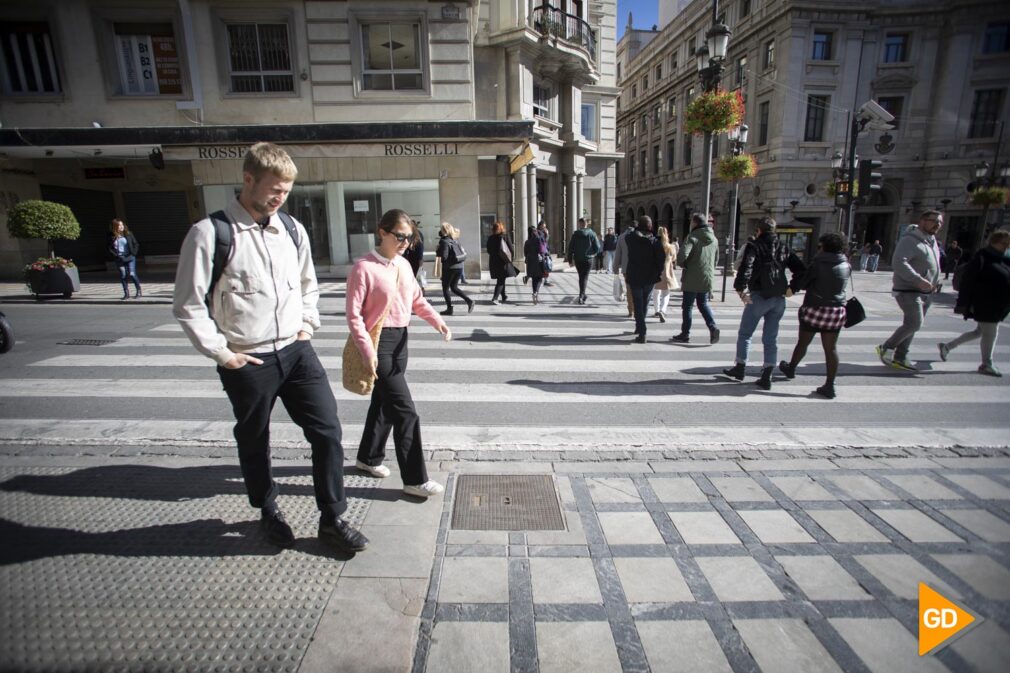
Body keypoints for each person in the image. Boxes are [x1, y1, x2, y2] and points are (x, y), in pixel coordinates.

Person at [173, 142, 368, 553]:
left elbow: (307, 284)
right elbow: (188, 305)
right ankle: (267, 509)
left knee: (328, 431)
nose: (280, 198)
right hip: (248, 357)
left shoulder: (291, 230)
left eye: (286, 191)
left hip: (296, 352)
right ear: (248, 180)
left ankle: (332, 518)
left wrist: (307, 325)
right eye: (274, 189)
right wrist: (223, 355)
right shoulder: (210, 234)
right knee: (254, 438)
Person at [347, 209, 451, 498]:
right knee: (406, 412)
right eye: (400, 236)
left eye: (410, 237)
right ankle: (415, 479)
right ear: (382, 232)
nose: (405, 241)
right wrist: (366, 349)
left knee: (383, 404)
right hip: (378, 341)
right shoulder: (363, 268)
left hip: (401, 340)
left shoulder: (404, 265)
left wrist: (438, 321)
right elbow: (354, 315)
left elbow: (417, 300)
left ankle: (368, 458)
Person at [723, 216, 805, 390]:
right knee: (771, 337)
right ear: (774, 231)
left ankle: (740, 367)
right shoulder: (784, 247)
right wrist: (792, 288)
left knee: (745, 333)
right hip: (778, 298)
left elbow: (746, 267)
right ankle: (767, 373)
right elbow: (801, 269)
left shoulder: (754, 246)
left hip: (759, 296)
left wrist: (740, 290)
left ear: (759, 230)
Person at [778, 232, 851, 399]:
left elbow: (804, 282)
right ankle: (830, 385)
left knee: (803, 342)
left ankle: (791, 368)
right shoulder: (846, 264)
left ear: (824, 246)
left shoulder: (818, 263)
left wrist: (792, 288)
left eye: (820, 245)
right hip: (836, 311)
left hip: (815, 308)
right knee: (831, 349)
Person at [876, 210, 944, 372]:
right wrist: (918, 280)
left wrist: (935, 280)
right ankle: (887, 347)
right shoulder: (910, 240)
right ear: (922, 220)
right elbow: (899, 262)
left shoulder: (932, 241)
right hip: (908, 289)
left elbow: (932, 263)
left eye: (940, 222)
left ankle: (901, 356)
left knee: (913, 325)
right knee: (915, 323)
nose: (937, 224)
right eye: (934, 220)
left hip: (927, 291)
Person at [938, 230, 1010, 377]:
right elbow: (967, 283)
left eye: (1008, 244)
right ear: (993, 242)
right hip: (985, 303)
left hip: (998, 304)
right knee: (991, 333)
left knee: (979, 332)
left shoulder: (1005, 259)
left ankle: (947, 346)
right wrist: (962, 304)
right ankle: (986, 364)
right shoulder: (981, 258)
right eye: (1004, 243)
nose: (1006, 246)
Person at [672, 212, 720, 344]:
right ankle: (713, 327)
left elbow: (682, 256)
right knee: (703, 304)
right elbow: (716, 259)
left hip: (692, 277)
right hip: (707, 277)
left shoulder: (692, 237)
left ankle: (685, 333)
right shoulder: (714, 239)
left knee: (687, 306)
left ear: (695, 222)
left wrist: (684, 264)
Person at [625, 216, 665, 342]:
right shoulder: (655, 242)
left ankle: (641, 331)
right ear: (650, 227)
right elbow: (661, 260)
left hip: (635, 276)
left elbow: (628, 236)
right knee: (645, 302)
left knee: (638, 303)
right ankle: (640, 327)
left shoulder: (631, 239)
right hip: (650, 277)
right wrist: (658, 272)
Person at [433, 222, 474, 315]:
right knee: (454, 287)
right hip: (459, 267)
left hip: (449, 268)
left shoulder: (444, 241)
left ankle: (449, 309)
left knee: (445, 288)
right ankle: (469, 301)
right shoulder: (455, 240)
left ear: (443, 230)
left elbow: (444, 257)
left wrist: (438, 251)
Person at [567, 217, 601, 304]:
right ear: (587, 223)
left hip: (578, 259)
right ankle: (582, 295)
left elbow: (570, 248)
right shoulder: (592, 234)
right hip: (588, 259)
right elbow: (597, 247)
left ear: (579, 224)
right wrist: (593, 253)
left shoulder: (575, 234)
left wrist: (570, 259)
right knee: (584, 277)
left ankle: (583, 294)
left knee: (581, 277)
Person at [108, 219, 142, 300]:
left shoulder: (128, 233)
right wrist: (115, 255)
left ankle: (139, 291)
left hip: (130, 257)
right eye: (119, 225)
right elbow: (109, 248)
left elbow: (136, 244)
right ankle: (126, 293)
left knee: (132, 274)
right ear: (115, 227)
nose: (121, 226)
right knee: (123, 275)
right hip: (119, 258)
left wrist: (133, 253)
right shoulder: (112, 236)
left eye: (122, 225)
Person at [652, 226, 678, 323]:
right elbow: (674, 259)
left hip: (656, 271)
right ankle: (663, 310)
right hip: (667, 271)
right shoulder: (671, 247)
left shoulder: (654, 245)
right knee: (666, 293)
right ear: (667, 234)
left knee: (656, 292)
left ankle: (656, 310)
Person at [486, 221, 516, 304]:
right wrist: (510, 258)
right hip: (503, 262)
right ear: (502, 228)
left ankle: (503, 296)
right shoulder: (505, 237)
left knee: (501, 278)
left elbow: (488, 250)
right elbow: (511, 249)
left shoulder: (490, 238)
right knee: (500, 280)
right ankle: (495, 298)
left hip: (494, 262)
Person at [612, 225, 636, 317]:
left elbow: (618, 254)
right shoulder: (641, 236)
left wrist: (615, 268)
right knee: (637, 289)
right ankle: (636, 309)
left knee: (629, 289)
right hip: (639, 268)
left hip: (626, 268)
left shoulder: (621, 237)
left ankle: (631, 310)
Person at [523, 225, 546, 304]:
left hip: (530, 261)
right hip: (538, 261)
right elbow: (543, 250)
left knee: (533, 278)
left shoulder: (527, 242)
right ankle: (536, 292)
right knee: (539, 278)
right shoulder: (539, 239)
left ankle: (534, 292)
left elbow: (525, 253)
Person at [538, 222, 554, 286]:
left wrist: (547, 234)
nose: (544, 228)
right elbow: (543, 242)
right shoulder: (538, 232)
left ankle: (546, 280)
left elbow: (546, 242)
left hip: (546, 251)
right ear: (539, 226)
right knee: (543, 266)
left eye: (545, 226)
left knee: (547, 265)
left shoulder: (543, 232)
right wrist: (547, 234)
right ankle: (528, 277)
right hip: (542, 252)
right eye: (543, 226)